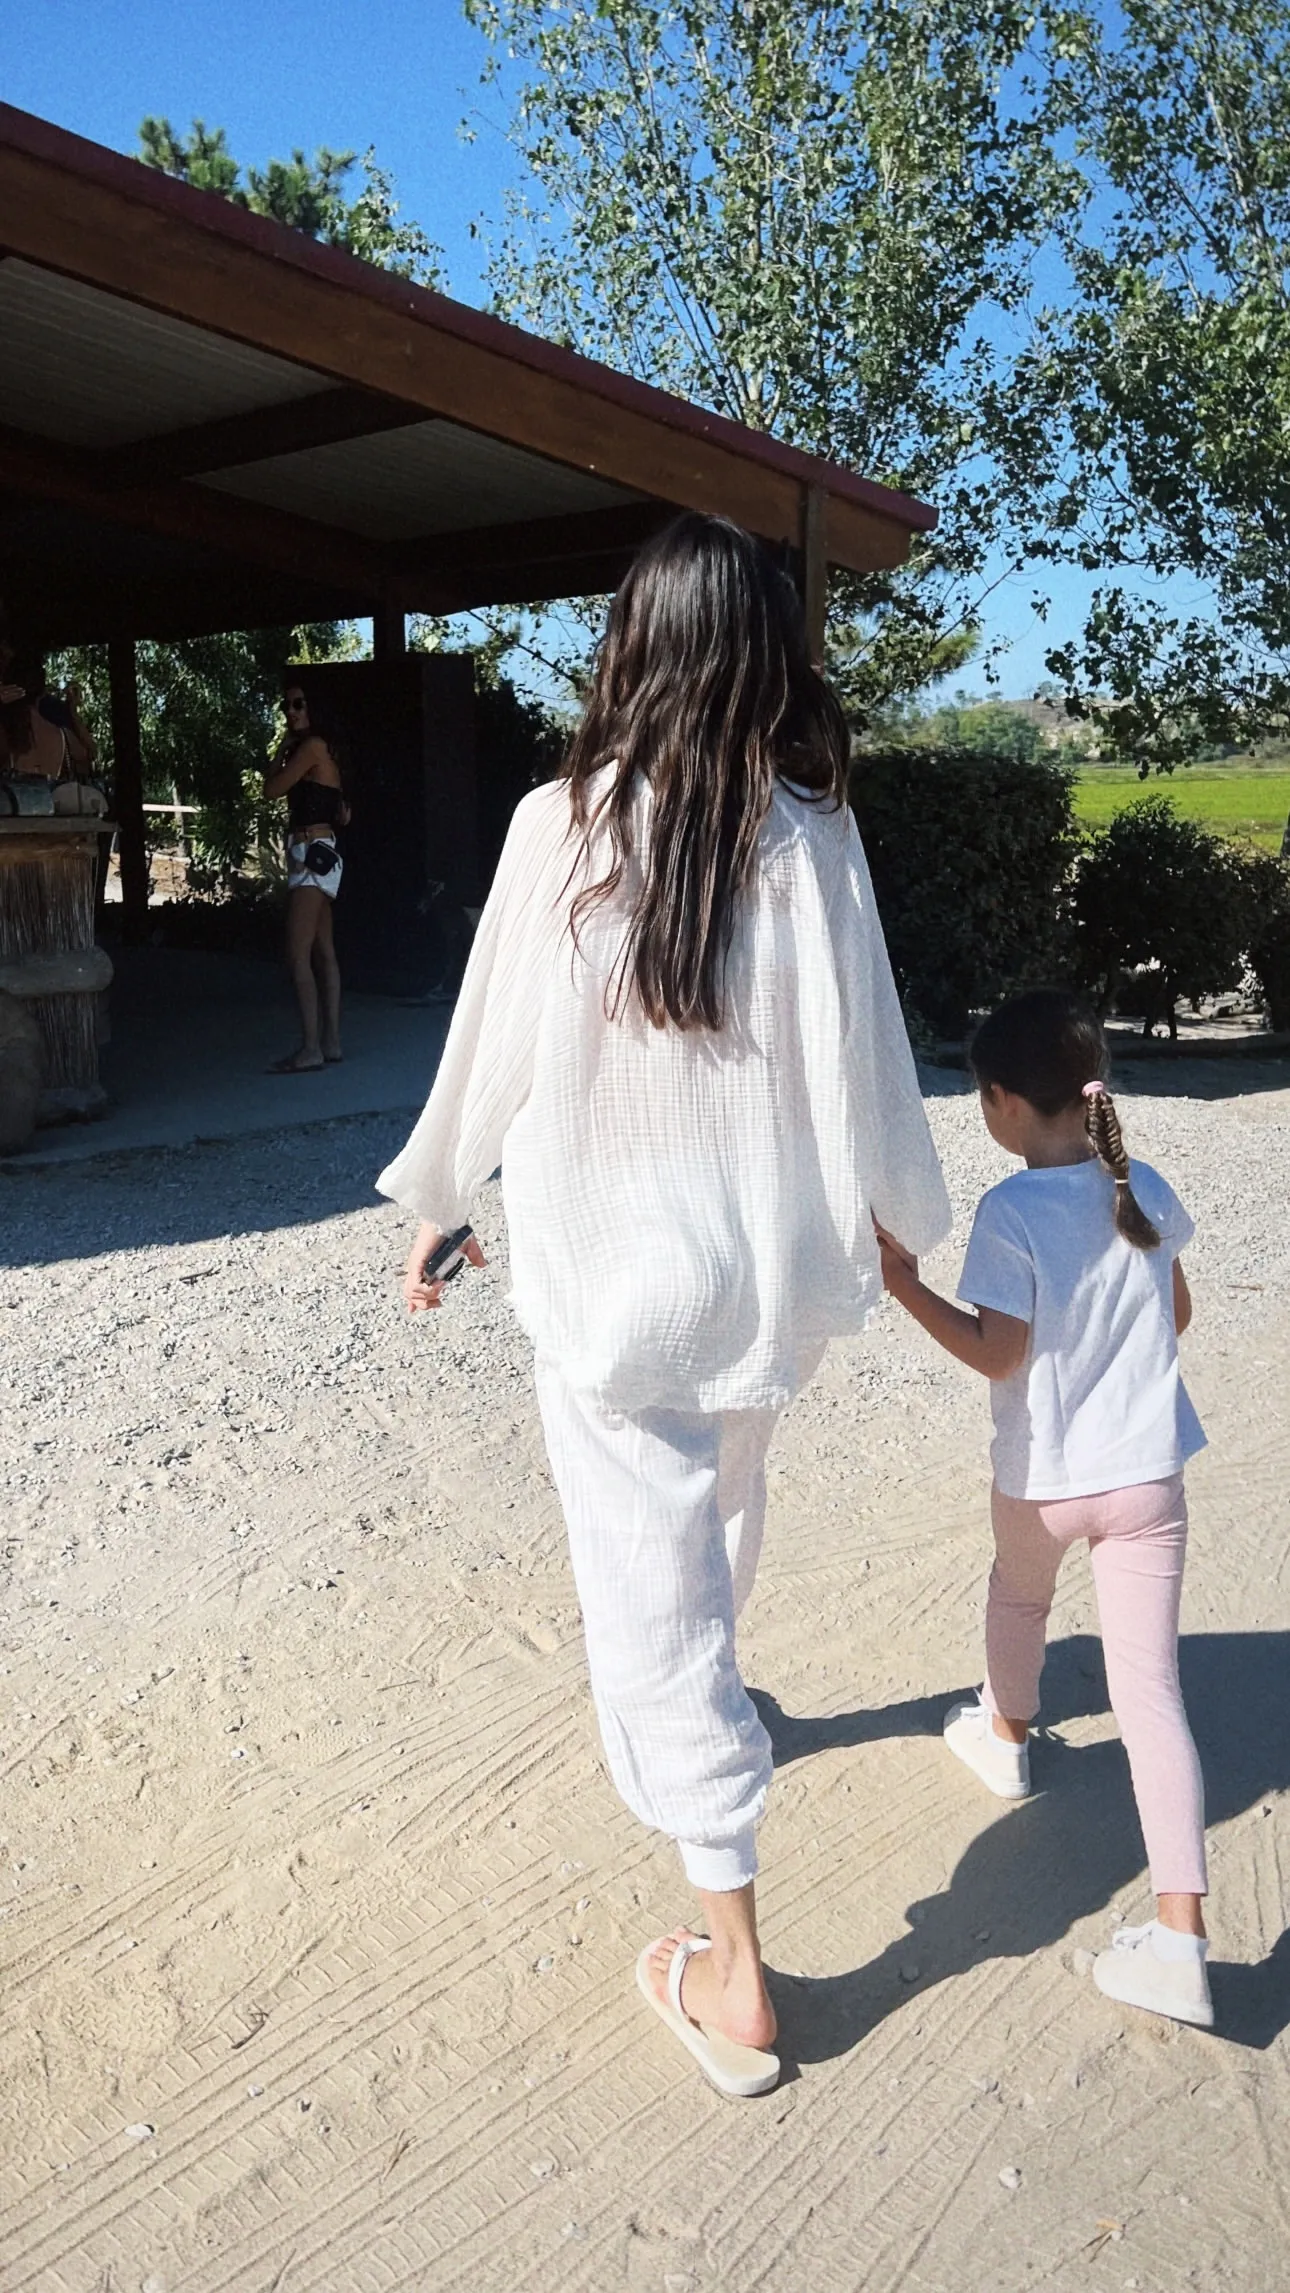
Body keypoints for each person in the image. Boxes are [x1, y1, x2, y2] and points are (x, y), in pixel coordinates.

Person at [377, 514, 951, 2097]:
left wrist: (439, 1205)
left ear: (627, 644)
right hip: (767, 1275)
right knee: (718, 1517)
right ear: (766, 654)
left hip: (610, 1286)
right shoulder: (814, 834)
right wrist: (907, 1226)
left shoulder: (550, 827)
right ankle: (715, 1700)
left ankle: (737, 1965)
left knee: (653, 1591)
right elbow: (870, 1060)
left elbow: (483, 1050)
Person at [877, 988, 1212, 2029]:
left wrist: (902, 1285)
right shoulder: (1140, 1182)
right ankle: (1180, 1935)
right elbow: (1180, 1310)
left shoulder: (1010, 1212)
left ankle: (1010, 1732)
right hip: (1148, 1473)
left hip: (1047, 1478)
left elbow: (998, 1351)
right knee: (1150, 1690)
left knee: (1018, 1597)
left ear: (1003, 1103)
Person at [263, 679, 348, 1073]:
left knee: (298, 954)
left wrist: (282, 748)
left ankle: (311, 1047)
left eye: (298, 704)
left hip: (309, 853)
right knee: (324, 950)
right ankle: (329, 1043)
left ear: (315, 707)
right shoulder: (328, 750)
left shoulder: (311, 748)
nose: (291, 712)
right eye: (287, 706)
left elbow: (272, 789)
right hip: (324, 851)